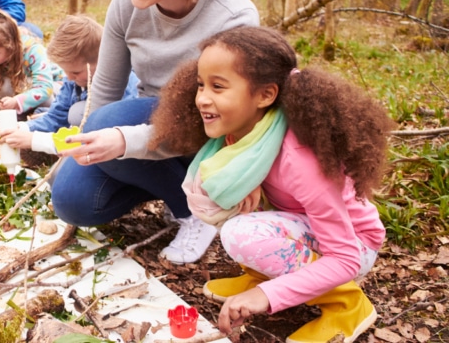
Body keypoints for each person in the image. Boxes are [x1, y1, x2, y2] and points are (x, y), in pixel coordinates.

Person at [150, 26, 392, 342]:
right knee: (229, 196)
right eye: (200, 85)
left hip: (354, 246)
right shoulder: (245, 133)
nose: (202, 99)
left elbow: (344, 257)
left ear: (265, 95)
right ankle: (260, 275)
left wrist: (267, 296)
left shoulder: (301, 160)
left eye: (218, 87)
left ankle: (347, 304)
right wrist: (254, 182)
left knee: (242, 233)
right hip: (307, 227)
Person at [50, 0, 259, 264]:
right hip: (149, 121)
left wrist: (120, 139)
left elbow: (226, 118)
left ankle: (194, 211)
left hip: (208, 135)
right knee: (71, 199)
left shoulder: (232, 17)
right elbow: (106, 88)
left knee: (107, 129)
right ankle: (162, 182)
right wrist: (88, 144)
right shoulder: (127, 3)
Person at [0, 14, 139, 154]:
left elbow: (99, 137)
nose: (69, 78)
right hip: (81, 139)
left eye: (75, 72)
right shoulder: (73, 82)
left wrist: (36, 140)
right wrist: (21, 128)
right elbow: (56, 117)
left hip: (114, 150)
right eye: (67, 72)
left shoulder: (123, 84)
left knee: (78, 112)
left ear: (101, 60)